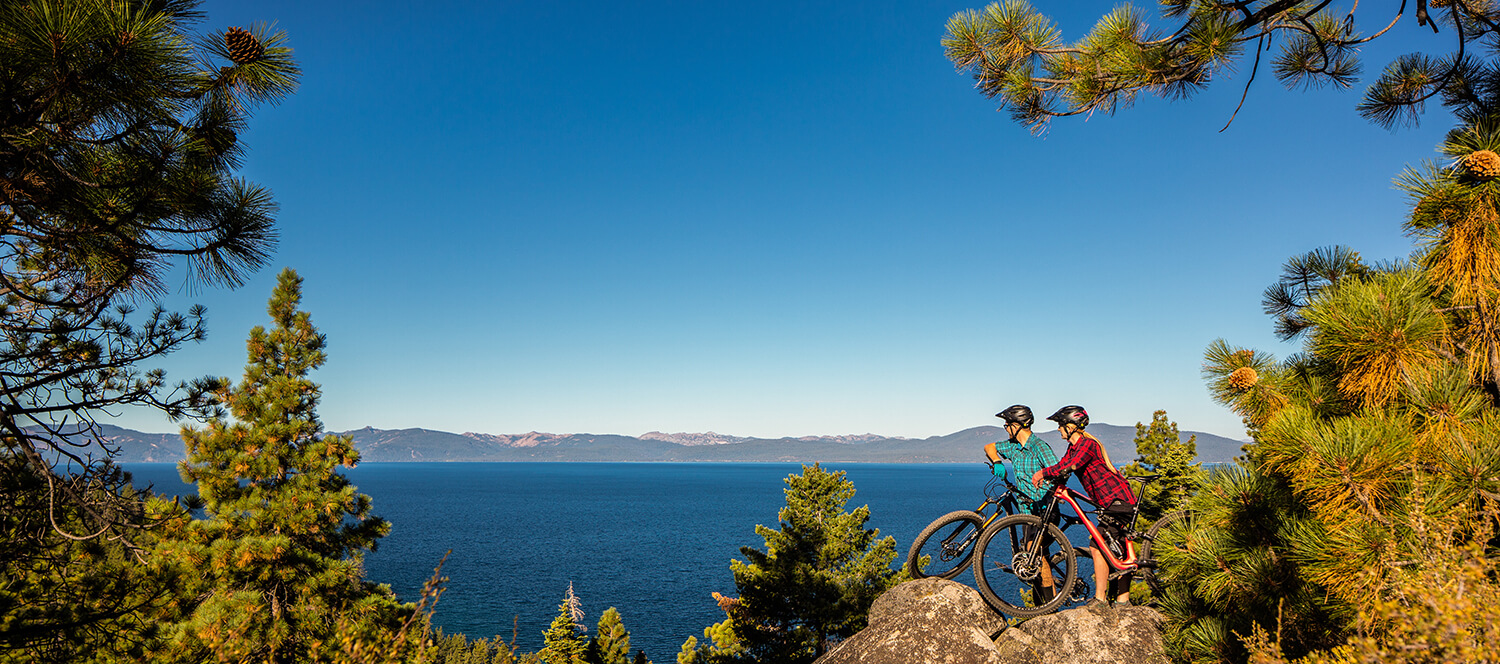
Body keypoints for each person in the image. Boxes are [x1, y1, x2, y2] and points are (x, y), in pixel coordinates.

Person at [1031, 405, 1137, 607]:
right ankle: (1122, 602)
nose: (1058, 429)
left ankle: (1100, 600)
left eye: (1060, 425)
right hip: (1110, 503)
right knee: (1117, 548)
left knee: (1098, 546)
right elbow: (1064, 465)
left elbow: (1072, 465)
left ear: (1071, 426)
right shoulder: (1073, 447)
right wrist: (1054, 480)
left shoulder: (1087, 444)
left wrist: (1043, 473)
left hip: (1118, 502)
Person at [984, 404, 1062, 604]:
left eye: (1007, 425)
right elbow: (990, 447)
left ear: (1017, 425)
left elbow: (1058, 473)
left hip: (1044, 510)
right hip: (1027, 512)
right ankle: (1040, 605)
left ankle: (1050, 604)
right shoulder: (1013, 447)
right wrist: (997, 462)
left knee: (1034, 552)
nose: (1006, 429)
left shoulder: (1040, 447)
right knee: (1032, 557)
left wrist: (1043, 488)